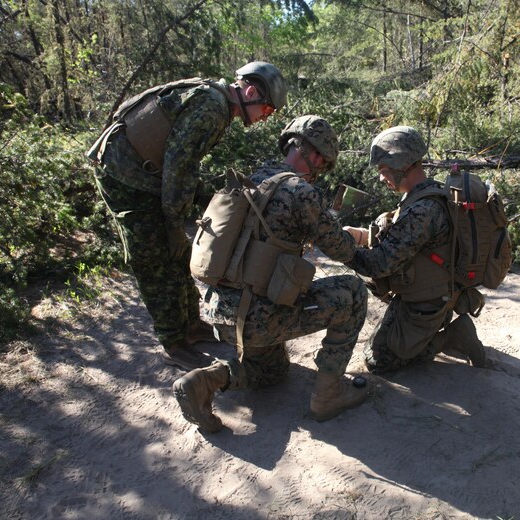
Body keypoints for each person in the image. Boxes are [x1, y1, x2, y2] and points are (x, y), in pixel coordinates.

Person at [173, 115, 369, 433]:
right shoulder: (301, 192)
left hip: (220, 312)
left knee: (273, 372)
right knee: (353, 292)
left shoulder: (253, 178)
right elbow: (343, 251)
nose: (321, 171)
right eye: (323, 163)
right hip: (259, 317)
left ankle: (205, 380)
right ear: (317, 155)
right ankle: (328, 395)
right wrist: (355, 236)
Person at [87, 62, 287, 371]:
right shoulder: (212, 108)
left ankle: (191, 326)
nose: (264, 118)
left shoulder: (215, 101)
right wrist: (174, 222)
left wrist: (201, 200)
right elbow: (178, 167)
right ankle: (173, 343)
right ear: (250, 92)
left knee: (176, 255)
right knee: (154, 259)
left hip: (145, 176)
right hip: (123, 178)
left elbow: (181, 165)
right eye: (267, 110)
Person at [343, 126, 490, 373]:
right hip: (428, 293)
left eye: (384, 170)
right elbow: (397, 240)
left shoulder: (421, 211)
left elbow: (379, 264)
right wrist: (357, 236)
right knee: (381, 345)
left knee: (379, 361)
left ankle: (453, 337)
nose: (381, 177)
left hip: (428, 303)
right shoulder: (424, 195)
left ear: (401, 165)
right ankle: (430, 327)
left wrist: (340, 248)